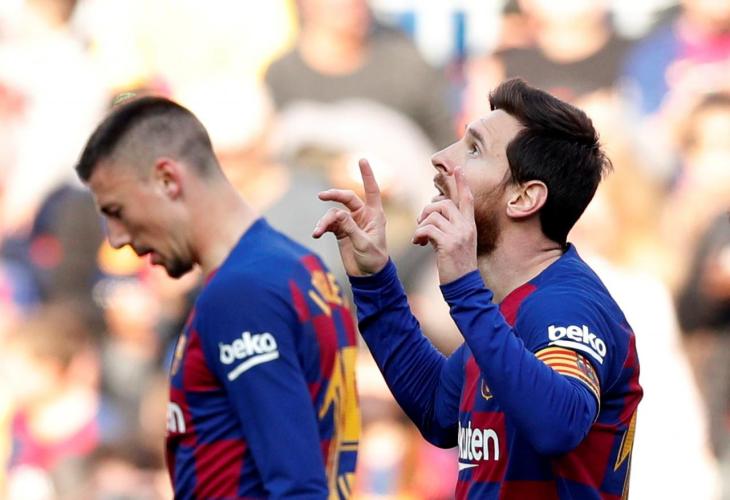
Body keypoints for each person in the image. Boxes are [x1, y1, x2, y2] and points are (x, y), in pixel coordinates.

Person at [314, 78, 642, 499]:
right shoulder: (509, 305)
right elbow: (438, 409)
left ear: (524, 198)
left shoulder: (566, 304)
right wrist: (375, 280)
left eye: (473, 150)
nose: (440, 159)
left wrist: (466, 291)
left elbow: (559, 425)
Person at [75, 96, 360, 499]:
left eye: (117, 211)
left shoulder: (241, 295)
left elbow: (297, 486)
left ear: (168, 180)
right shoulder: (298, 267)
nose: (117, 238)